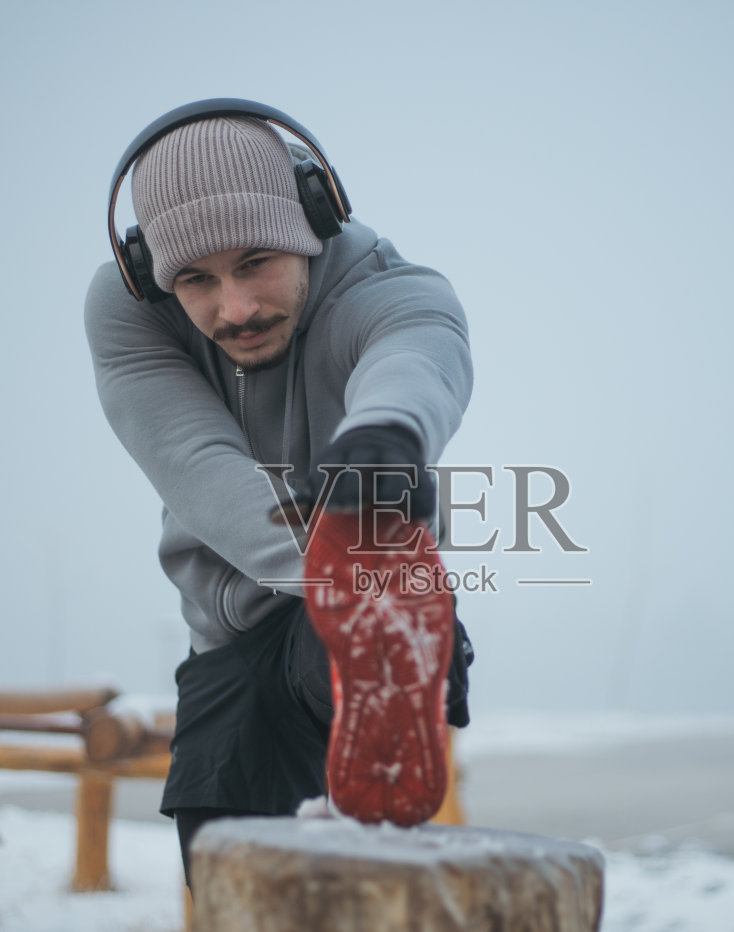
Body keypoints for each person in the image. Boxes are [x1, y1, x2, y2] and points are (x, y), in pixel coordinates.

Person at [83, 100, 473, 883]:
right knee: (229, 901)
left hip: (344, 602)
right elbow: (196, 460)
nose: (236, 308)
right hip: (227, 641)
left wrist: (386, 439)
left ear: (312, 217)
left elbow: (417, 355)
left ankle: (376, 659)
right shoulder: (131, 311)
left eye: (255, 261)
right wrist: (345, 570)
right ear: (151, 272)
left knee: (360, 903)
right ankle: (375, 621)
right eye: (197, 279)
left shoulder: (387, 288)